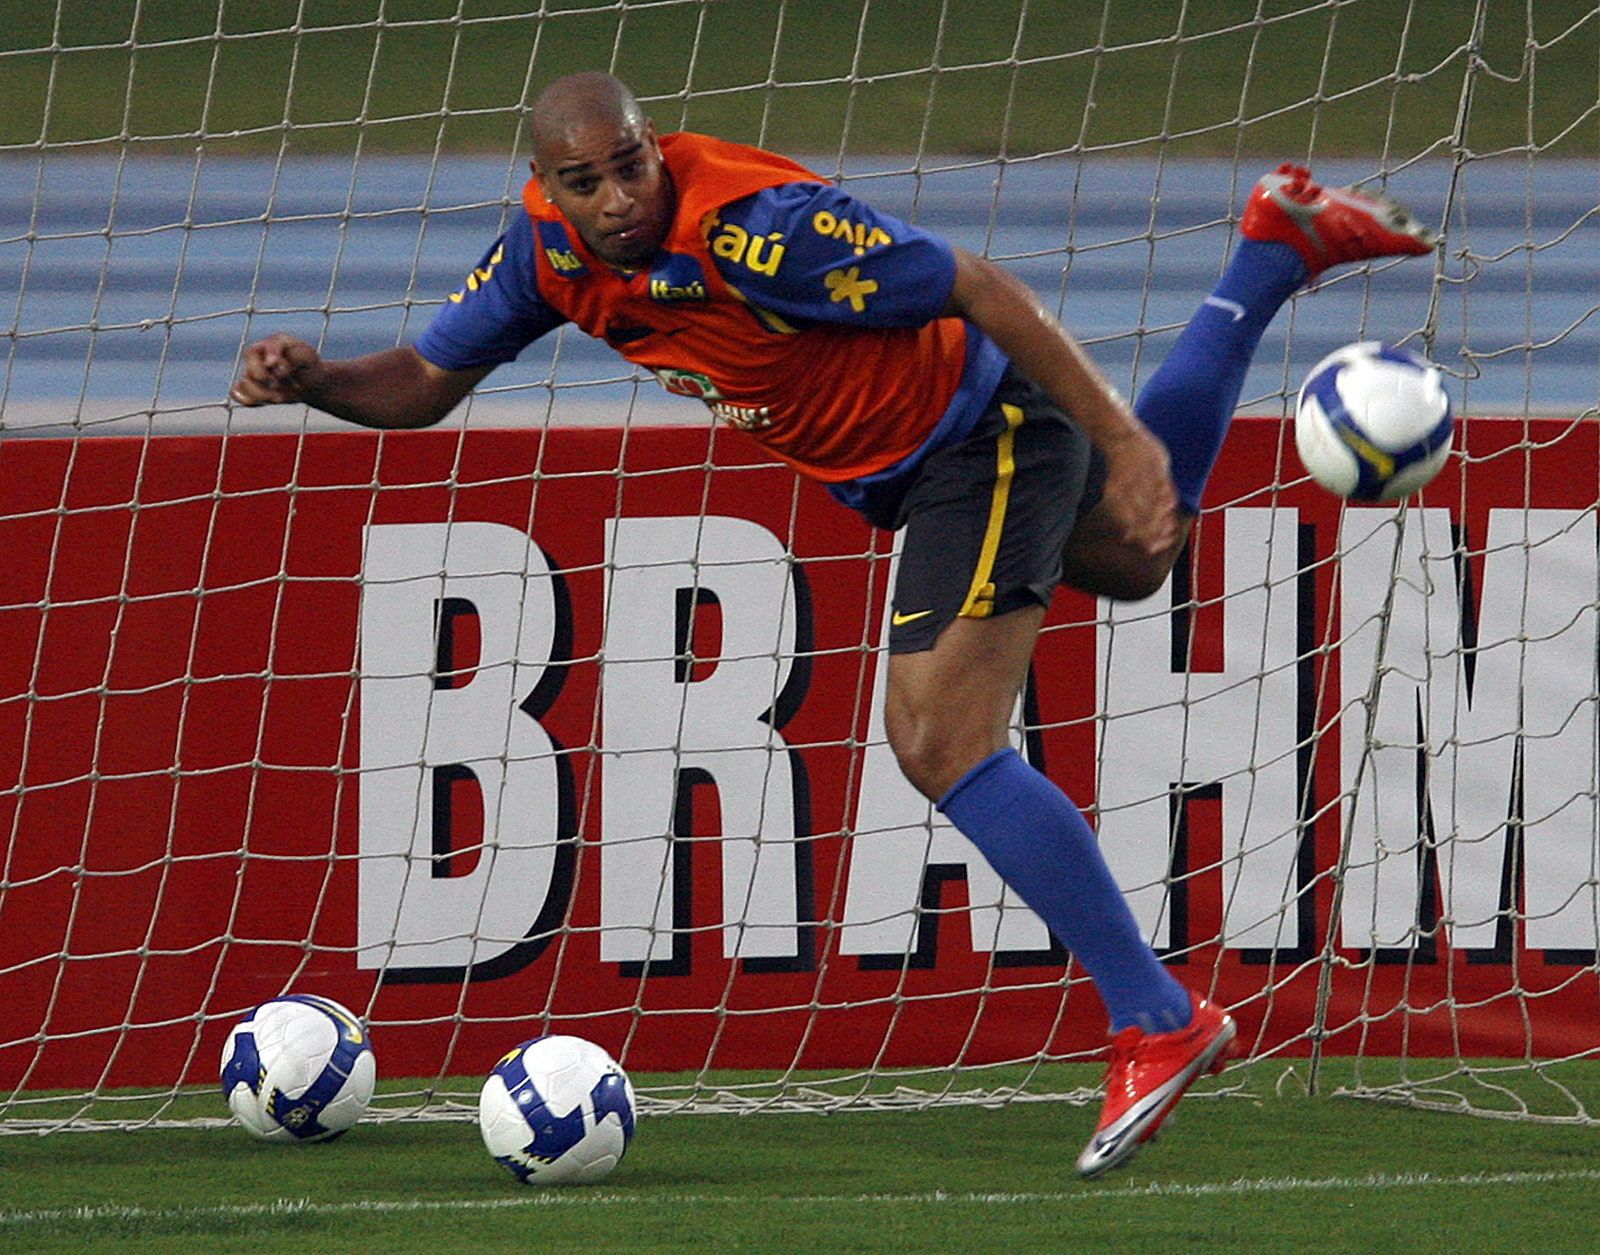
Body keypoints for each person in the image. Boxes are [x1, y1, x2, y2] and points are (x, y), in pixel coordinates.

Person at [230, 71, 1437, 1177]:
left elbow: (978, 287)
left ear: (655, 149)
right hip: (914, 470)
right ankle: (1272, 254)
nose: (615, 198)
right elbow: (426, 385)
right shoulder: (544, 255)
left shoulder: (761, 230)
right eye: (583, 180)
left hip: (985, 433)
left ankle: (1156, 1019)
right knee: (1130, 562)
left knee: (940, 741)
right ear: (545, 187)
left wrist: (1118, 439)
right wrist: (319, 379)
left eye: (630, 165)